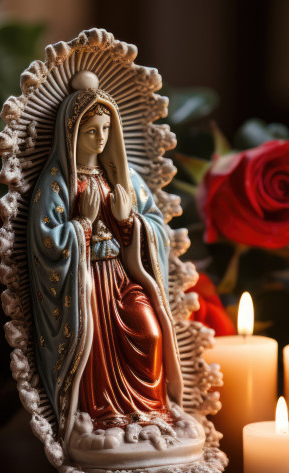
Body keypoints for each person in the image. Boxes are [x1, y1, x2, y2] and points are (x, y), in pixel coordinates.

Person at [26, 72, 183, 443]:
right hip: (86, 283)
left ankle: (150, 410)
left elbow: (156, 229)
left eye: (106, 129)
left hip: (121, 275)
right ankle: (105, 415)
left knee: (149, 331)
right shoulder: (57, 183)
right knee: (94, 338)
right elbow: (46, 241)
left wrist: (131, 222)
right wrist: (82, 223)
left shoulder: (122, 179)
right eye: (91, 130)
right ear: (72, 133)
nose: (100, 138)